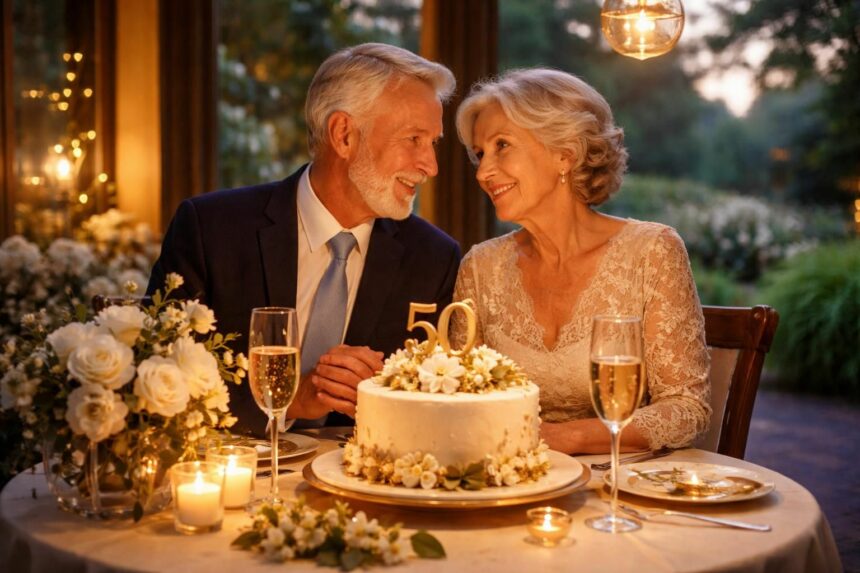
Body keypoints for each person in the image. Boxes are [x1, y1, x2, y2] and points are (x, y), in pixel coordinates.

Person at [147, 43, 461, 436]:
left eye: (433, 143)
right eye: (414, 139)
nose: (430, 165)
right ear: (343, 135)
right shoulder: (210, 229)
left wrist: (389, 396)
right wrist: (291, 399)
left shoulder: (434, 259)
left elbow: (437, 410)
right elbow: (155, 378)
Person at [452, 68, 710, 454]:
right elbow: (459, 400)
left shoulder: (652, 252)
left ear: (564, 155)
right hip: (516, 477)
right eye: (480, 154)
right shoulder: (480, 267)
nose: (483, 172)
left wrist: (570, 438)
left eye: (501, 145)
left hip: (622, 481)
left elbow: (687, 410)